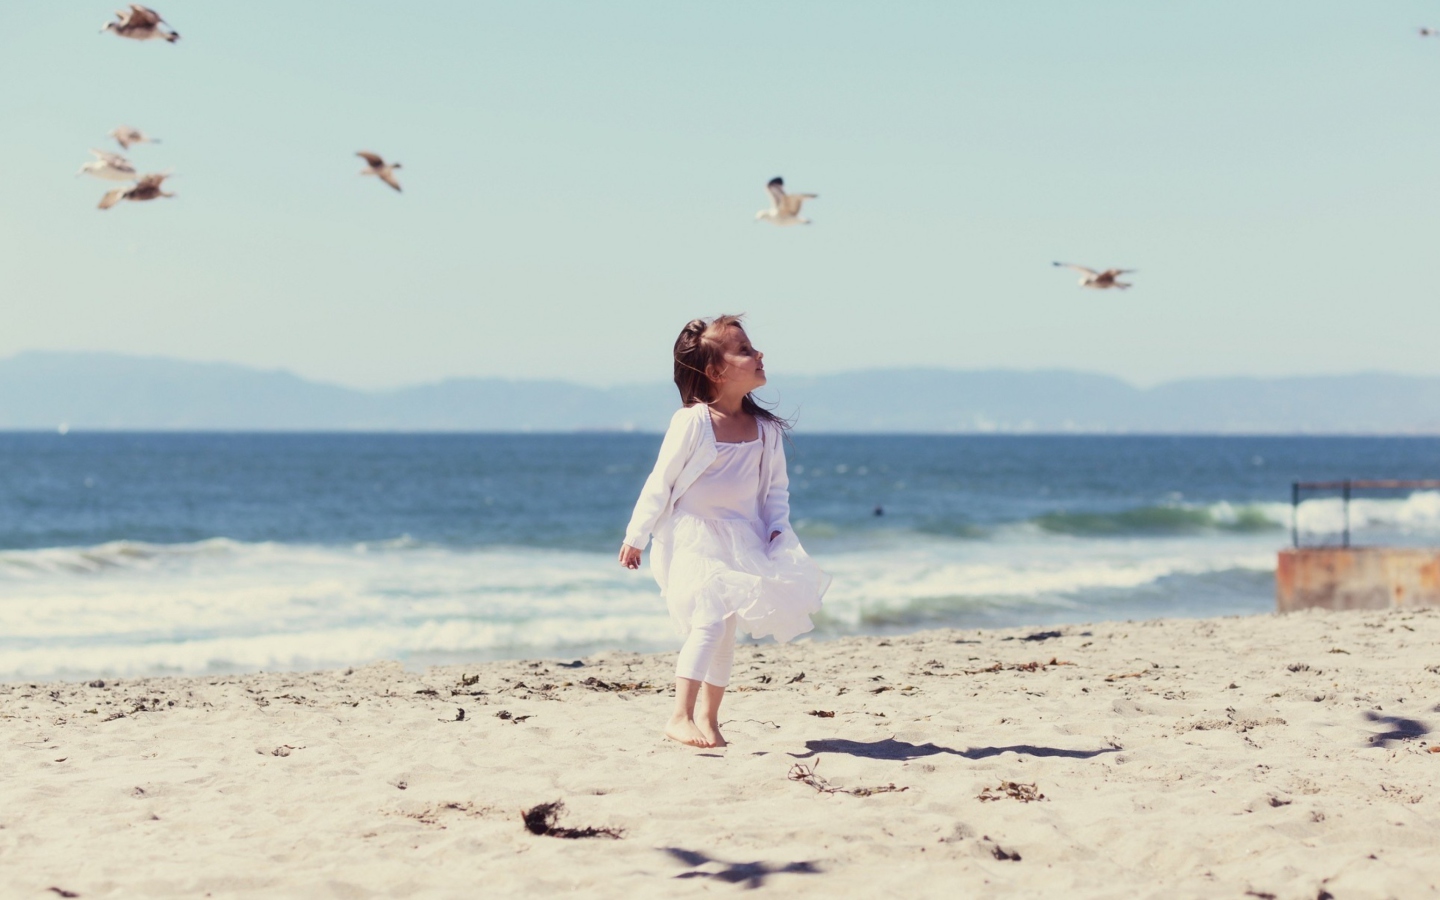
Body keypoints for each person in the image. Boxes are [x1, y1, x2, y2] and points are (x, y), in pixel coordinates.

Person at [619, 315, 830, 748]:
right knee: (709, 620)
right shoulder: (694, 422)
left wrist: (776, 531)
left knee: (727, 633)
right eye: (745, 350)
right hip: (695, 537)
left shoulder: (766, 430)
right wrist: (636, 535)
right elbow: (660, 481)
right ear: (716, 372)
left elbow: (775, 490)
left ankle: (710, 719)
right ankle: (679, 715)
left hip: (744, 539)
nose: (758, 354)